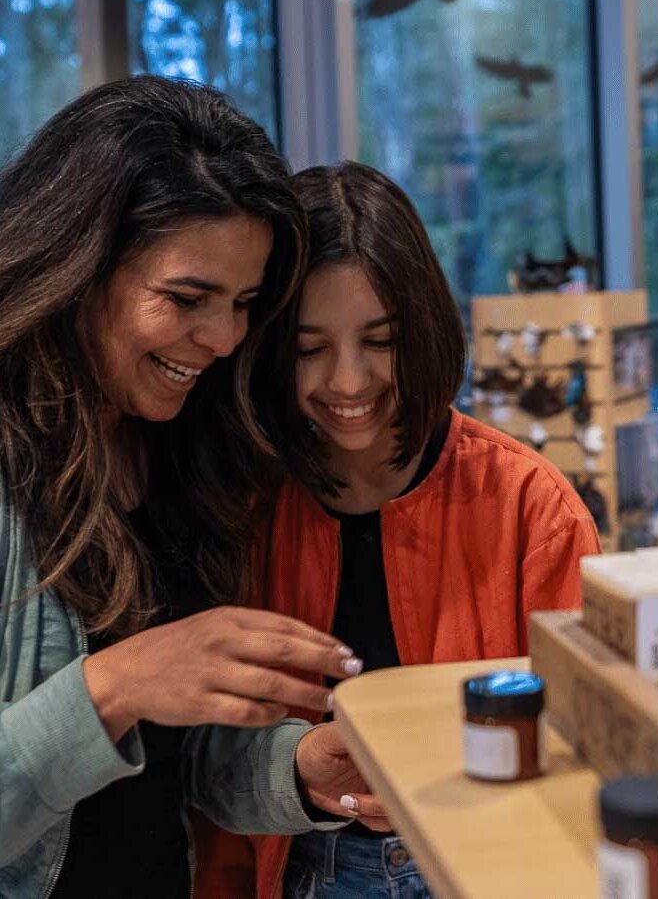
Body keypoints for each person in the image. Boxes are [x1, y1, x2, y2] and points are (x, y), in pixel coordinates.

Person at [0, 79, 381, 898]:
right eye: (185, 299)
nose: (222, 338)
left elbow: (170, 759)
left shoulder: (174, 444)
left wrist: (298, 770)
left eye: (244, 303)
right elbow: (115, 706)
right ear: (75, 267)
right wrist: (114, 684)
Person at [195, 160, 600, 898]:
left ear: (425, 327)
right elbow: (197, 755)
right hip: (293, 867)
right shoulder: (242, 507)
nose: (348, 384)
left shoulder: (529, 505)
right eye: (310, 350)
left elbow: (588, 745)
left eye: (380, 341)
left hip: (481, 865)